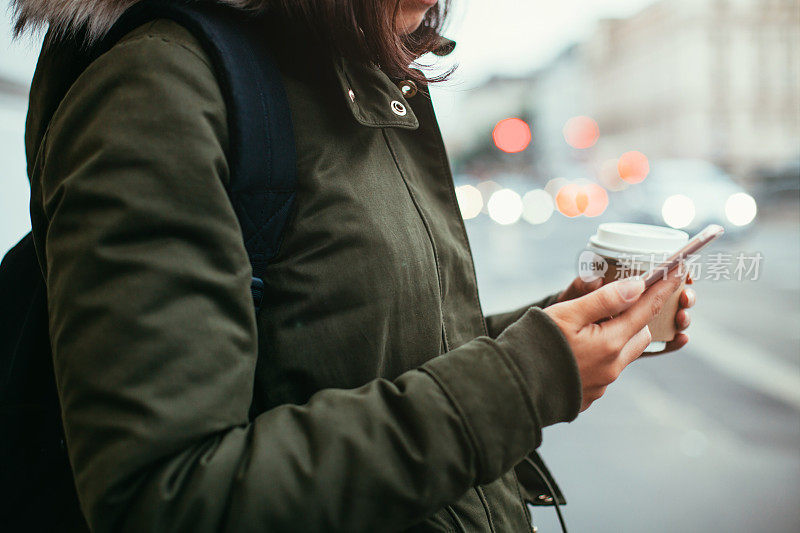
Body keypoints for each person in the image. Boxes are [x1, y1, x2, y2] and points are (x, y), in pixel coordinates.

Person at [12, 0, 694, 531]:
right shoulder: (162, 84)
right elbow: (171, 497)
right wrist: (528, 378)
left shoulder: (353, 73)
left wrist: (547, 330)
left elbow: (358, 352)